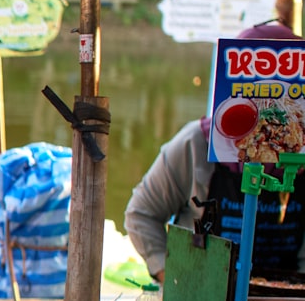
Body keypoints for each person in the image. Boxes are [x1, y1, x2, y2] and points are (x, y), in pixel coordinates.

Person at [125, 21, 305, 282]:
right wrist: (175, 281)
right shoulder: (194, 144)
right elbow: (141, 215)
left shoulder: (298, 148)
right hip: (203, 296)